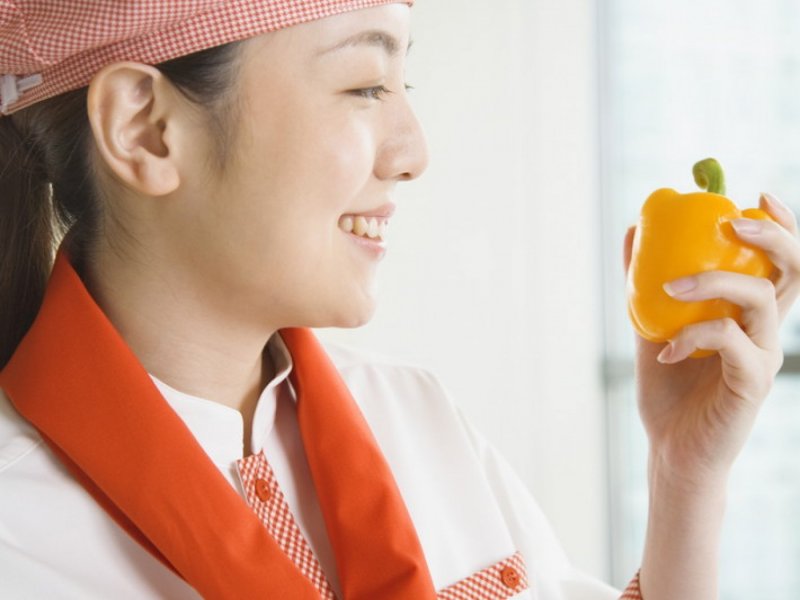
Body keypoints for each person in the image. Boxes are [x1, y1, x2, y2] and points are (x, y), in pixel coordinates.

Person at [0, 1, 798, 598]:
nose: (415, 152)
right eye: (364, 86)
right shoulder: (18, 535)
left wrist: (683, 481)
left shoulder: (417, 416)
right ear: (144, 128)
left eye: (402, 82)